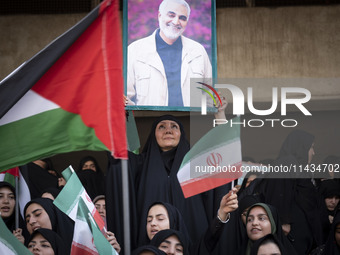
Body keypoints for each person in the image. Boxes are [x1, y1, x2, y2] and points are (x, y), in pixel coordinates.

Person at [127, 0, 212, 107]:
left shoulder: (198, 51)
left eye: (182, 18)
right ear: (159, 15)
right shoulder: (135, 50)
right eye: (171, 15)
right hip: (148, 121)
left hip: (190, 121)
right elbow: (126, 99)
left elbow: (209, 96)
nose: (176, 22)